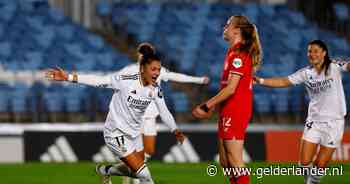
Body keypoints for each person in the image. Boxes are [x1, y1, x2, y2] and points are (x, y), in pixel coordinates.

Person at [45, 43, 186, 184]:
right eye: (153, 69)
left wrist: (175, 130)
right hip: (115, 132)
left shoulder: (155, 90)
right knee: (145, 175)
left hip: (135, 134)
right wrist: (68, 77)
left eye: (159, 69)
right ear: (143, 69)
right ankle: (110, 171)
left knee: (136, 173)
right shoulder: (125, 81)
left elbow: (164, 111)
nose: (157, 73)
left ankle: (105, 170)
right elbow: (98, 81)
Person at [254, 39, 349, 184]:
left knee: (320, 165)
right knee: (303, 164)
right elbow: (284, 81)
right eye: (310, 51)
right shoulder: (306, 73)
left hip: (335, 123)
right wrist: (260, 81)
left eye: (316, 51)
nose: (312, 54)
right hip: (314, 122)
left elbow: (348, 66)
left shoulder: (334, 66)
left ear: (324, 53)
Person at [115, 43, 209, 184]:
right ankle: (132, 179)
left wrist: (198, 80)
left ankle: (116, 170)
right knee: (133, 151)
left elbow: (176, 76)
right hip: (132, 115)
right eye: (143, 54)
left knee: (149, 151)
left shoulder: (158, 69)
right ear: (139, 55)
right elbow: (112, 80)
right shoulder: (129, 70)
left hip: (150, 116)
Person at [192, 15, 262, 184]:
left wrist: (207, 105)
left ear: (237, 31)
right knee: (225, 162)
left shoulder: (239, 54)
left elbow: (231, 88)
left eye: (228, 25)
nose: (224, 27)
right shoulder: (232, 52)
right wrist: (217, 105)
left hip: (236, 109)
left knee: (235, 160)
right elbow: (227, 87)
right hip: (228, 108)